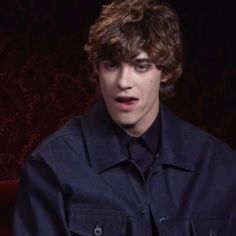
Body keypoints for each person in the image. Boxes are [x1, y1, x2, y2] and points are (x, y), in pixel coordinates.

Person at [13, 0, 236, 235]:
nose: (123, 82)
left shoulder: (221, 165)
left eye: (140, 66)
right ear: (97, 70)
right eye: (111, 65)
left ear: (166, 72)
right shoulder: (51, 166)